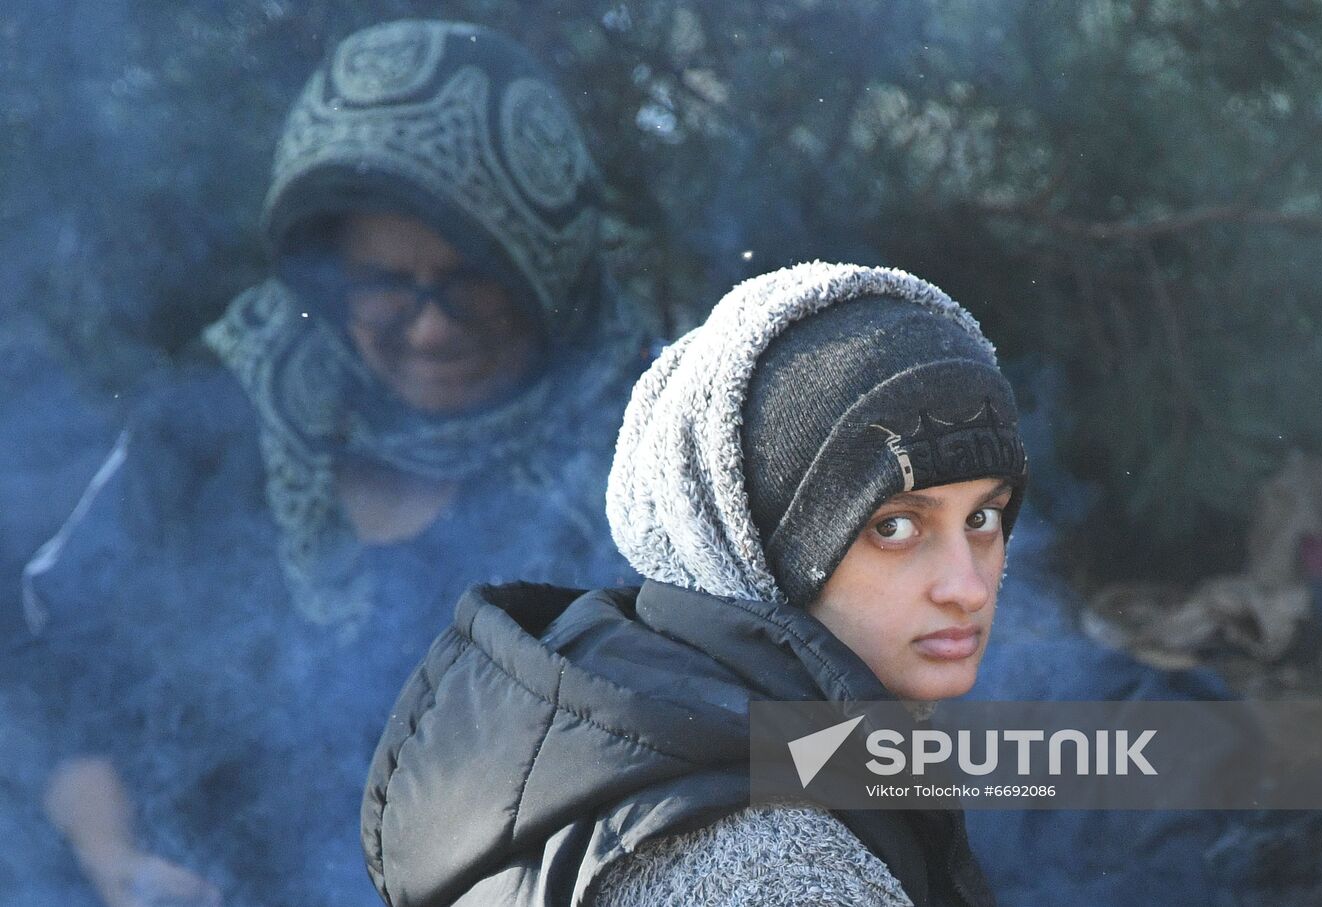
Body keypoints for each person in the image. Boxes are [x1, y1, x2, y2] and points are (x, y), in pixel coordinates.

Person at [17, 20, 646, 907]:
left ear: (548, 271)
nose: (428, 326)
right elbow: (63, 666)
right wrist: (113, 856)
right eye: (385, 283)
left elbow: (854, 756)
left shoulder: (660, 454)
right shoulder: (206, 431)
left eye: (470, 277)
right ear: (322, 282)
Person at [362, 261, 1027, 906]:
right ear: (752, 541)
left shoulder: (626, 727)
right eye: (893, 526)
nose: (966, 586)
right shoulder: (771, 869)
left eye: (982, 517)